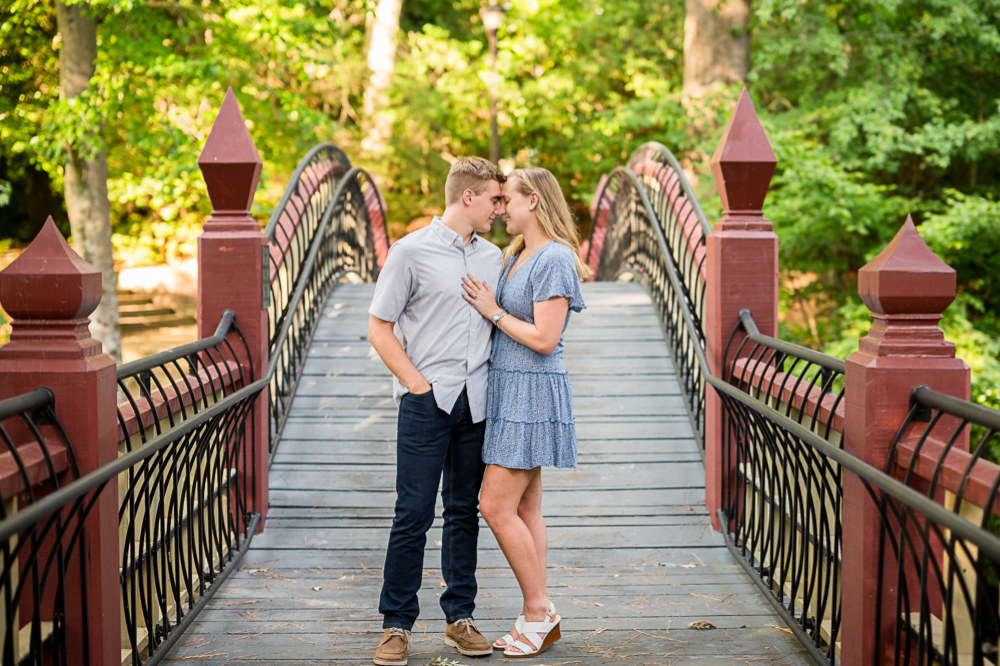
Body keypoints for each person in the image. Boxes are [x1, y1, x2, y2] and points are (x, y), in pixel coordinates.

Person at [368, 157, 506, 666]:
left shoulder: (494, 258)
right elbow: (379, 325)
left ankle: (459, 619)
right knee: (413, 514)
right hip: (427, 402)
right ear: (467, 197)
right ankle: (396, 624)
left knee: (464, 512)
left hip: (478, 402)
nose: (499, 208)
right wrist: (416, 384)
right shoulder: (410, 253)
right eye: (494, 198)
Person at [460, 167, 590, 658]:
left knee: (494, 505)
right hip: (510, 388)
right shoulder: (518, 254)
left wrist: (491, 310)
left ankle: (538, 611)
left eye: (507, 200)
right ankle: (538, 612)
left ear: (533, 201)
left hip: (532, 391)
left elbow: (545, 338)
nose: (500, 209)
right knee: (525, 507)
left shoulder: (554, 258)